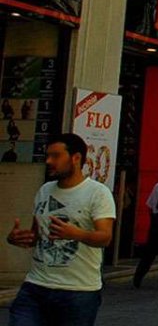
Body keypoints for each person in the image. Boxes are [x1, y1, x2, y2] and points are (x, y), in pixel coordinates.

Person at [6, 133, 115, 326]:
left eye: (56, 156)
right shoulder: (44, 190)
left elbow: (105, 237)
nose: (49, 161)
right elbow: (38, 234)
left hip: (78, 291)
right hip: (36, 286)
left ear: (76, 158)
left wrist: (76, 234)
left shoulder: (98, 193)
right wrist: (20, 238)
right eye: (48, 156)